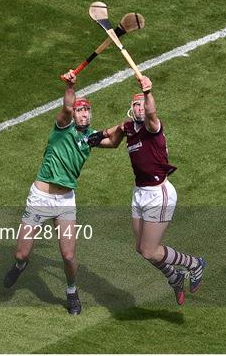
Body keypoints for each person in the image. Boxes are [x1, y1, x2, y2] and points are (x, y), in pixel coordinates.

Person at [87, 75, 206, 305]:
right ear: (131, 109)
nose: (140, 107)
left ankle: (193, 264)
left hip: (158, 193)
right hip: (139, 192)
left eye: (143, 103)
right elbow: (112, 141)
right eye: (136, 104)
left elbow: (152, 115)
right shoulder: (129, 127)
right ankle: (175, 276)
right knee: (141, 249)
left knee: (151, 250)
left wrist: (148, 92)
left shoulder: (154, 128)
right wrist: (94, 137)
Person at [3, 70, 95, 315]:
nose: (83, 113)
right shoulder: (62, 128)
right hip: (40, 197)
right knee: (21, 252)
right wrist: (70, 88)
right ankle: (21, 265)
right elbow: (66, 108)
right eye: (80, 110)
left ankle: (72, 291)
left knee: (67, 255)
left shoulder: (90, 138)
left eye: (87, 110)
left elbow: (113, 138)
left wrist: (131, 126)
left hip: (65, 201)